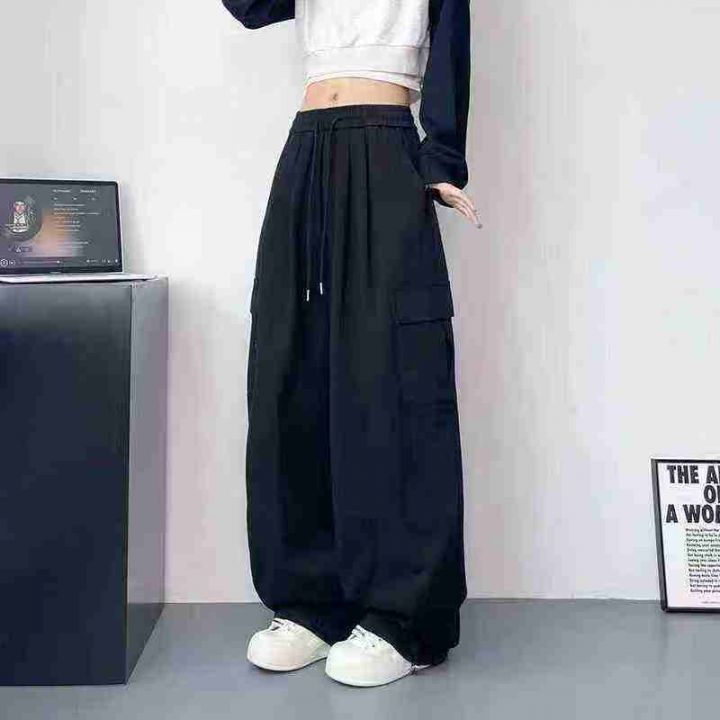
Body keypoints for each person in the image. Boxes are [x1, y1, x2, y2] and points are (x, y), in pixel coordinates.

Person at [221, 0, 479, 687]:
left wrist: (441, 155)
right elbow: (250, 8)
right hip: (308, 142)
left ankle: (405, 618)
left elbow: (451, 42)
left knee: (393, 376)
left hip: (386, 142)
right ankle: (313, 603)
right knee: (290, 366)